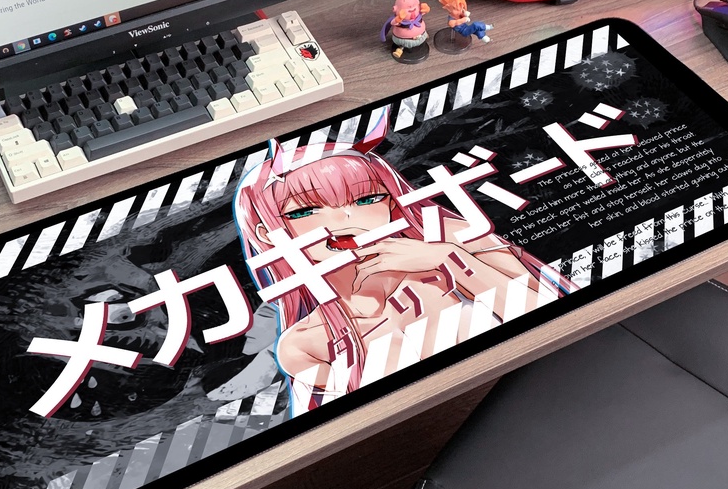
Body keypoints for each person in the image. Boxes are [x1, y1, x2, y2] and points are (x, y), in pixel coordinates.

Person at [233, 114, 572, 414]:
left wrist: (451, 260)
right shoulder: (303, 343)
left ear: (393, 205)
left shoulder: (450, 239)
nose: (344, 220)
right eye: (305, 211)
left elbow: (561, 312)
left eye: (367, 199)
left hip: (561, 376)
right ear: (267, 234)